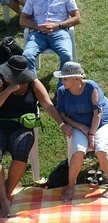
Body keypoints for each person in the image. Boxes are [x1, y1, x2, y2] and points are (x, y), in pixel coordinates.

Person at [0, 55, 70, 217]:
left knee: (20, 157)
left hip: (23, 127)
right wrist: (9, 90)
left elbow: (48, 105)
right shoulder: (1, 82)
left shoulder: (33, 83)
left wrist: (61, 124)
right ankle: (4, 200)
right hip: (1, 125)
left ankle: (6, 192)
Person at [55, 62, 108, 202]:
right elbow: (63, 114)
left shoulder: (91, 87)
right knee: (78, 152)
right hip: (79, 126)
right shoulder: (62, 91)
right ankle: (70, 186)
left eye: (65, 78)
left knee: (101, 150)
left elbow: (98, 114)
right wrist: (81, 127)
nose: (62, 80)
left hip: (101, 125)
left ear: (76, 79)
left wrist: (91, 134)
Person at [19, 0, 81, 80]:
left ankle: (62, 88)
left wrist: (58, 25)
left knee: (67, 56)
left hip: (59, 33)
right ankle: (34, 86)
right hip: (38, 34)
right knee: (27, 56)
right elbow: (22, 20)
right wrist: (37, 26)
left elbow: (77, 18)